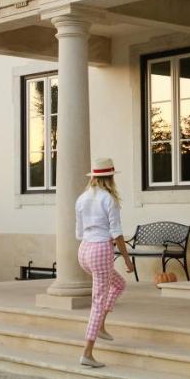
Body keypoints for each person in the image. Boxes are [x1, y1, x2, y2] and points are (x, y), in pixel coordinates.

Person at [75, 156, 134, 368]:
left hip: (84, 251)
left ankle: (100, 326)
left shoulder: (82, 198)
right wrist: (127, 260)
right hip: (100, 250)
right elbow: (117, 233)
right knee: (98, 302)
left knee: (118, 284)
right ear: (110, 178)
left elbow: (79, 231)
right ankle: (87, 353)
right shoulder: (109, 199)